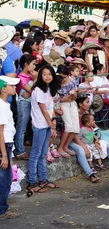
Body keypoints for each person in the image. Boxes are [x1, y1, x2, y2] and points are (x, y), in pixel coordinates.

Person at [28, 65, 60, 195]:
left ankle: (43, 179)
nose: (47, 76)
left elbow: (50, 108)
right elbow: (42, 109)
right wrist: (51, 125)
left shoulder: (48, 89)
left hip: (46, 125)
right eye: (45, 74)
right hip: (40, 125)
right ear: (40, 75)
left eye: (50, 74)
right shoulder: (38, 90)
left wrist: (53, 121)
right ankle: (32, 182)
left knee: (43, 153)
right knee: (35, 153)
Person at [0, 75, 20, 220]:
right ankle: (2, 210)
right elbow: (0, 131)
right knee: (4, 180)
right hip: (4, 145)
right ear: (3, 88)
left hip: (7, 144)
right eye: (12, 86)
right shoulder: (1, 106)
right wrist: (4, 155)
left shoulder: (5, 104)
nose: (14, 88)